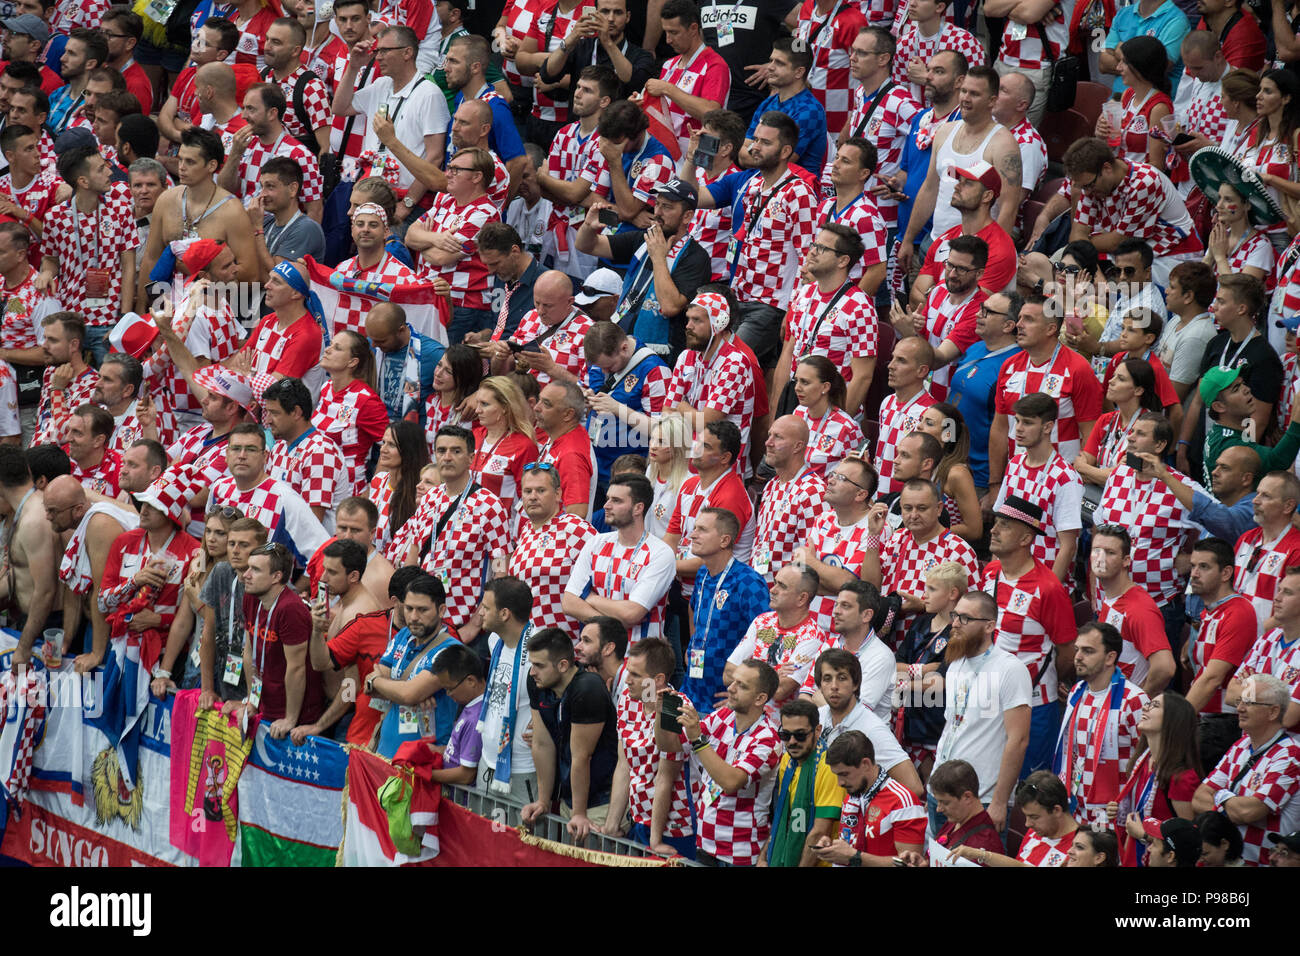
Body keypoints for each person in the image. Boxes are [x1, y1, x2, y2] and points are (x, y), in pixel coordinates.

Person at [695, 111, 817, 371]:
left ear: (785, 151)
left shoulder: (799, 193)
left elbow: (809, 258)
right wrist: (692, 156)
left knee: (726, 366)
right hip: (737, 296)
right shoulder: (750, 184)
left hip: (770, 305)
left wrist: (794, 309)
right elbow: (690, 197)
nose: (755, 147)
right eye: (756, 140)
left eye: (765, 142)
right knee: (750, 374)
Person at [982, 496, 1077, 776]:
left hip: (1032, 704)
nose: (994, 530)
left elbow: (1067, 651)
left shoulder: (1048, 589)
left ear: (1026, 538)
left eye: (1005, 525)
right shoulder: (990, 572)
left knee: (1028, 787)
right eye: (996, 523)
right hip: (988, 698)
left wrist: (1046, 679)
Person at [655, 657, 782, 867]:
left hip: (740, 854)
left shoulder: (768, 739)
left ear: (760, 698)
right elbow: (670, 745)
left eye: (741, 686)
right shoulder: (723, 716)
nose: (731, 688)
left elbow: (731, 782)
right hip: (705, 843)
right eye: (733, 681)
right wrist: (663, 714)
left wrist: (698, 739)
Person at [931, 588, 1031, 832]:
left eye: (965, 618)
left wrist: (998, 802)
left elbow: (1018, 741)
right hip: (942, 795)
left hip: (980, 799)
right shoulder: (955, 664)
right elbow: (953, 726)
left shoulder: (1010, 669)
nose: (955, 623)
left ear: (989, 626)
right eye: (955, 616)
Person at [899, 67, 1021, 267]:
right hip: (934, 244)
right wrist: (908, 239)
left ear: (992, 101)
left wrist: (989, 259)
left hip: (973, 255)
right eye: (964, 91)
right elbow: (930, 188)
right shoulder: (944, 132)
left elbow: (1008, 207)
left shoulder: (1003, 144)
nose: (965, 98)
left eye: (974, 94)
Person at [575, 180, 709, 362]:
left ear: (687, 216)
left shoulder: (696, 257)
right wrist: (588, 227)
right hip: (623, 343)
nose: (658, 212)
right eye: (657, 205)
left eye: (667, 207)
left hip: (660, 356)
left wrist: (659, 258)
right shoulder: (642, 239)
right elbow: (586, 245)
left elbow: (670, 306)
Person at [397, 425, 510, 632]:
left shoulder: (490, 506)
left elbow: (500, 572)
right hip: (421, 620)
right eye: (441, 451)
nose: (447, 457)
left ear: (470, 458)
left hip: (461, 624)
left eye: (456, 451)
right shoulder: (429, 498)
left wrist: (475, 625)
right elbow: (413, 554)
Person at [989, 294, 1103, 499]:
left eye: (1029, 320)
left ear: (1051, 329)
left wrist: (1076, 483)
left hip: (1060, 483)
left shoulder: (1078, 369)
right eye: (1020, 318)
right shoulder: (1009, 366)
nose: (1019, 325)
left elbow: (1091, 432)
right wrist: (996, 483)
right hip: (1017, 478)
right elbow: (1000, 428)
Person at [330, 25, 447, 223]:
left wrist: (408, 203)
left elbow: (434, 157)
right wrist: (353, 67)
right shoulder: (381, 85)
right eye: (377, 51)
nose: (378, 57)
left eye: (385, 51)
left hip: (405, 201)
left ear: (407, 53)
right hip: (372, 195)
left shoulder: (429, 93)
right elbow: (339, 108)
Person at [37, 144, 135, 360]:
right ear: (83, 181)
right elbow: (51, 260)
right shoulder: (55, 217)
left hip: (109, 318)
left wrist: (124, 318)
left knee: (111, 387)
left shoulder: (120, 210)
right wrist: (46, 273)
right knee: (69, 383)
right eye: (101, 169)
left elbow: (129, 267)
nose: (109, 172)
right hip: (71, 320)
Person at [1061, 138, 1203, 288]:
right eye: (1084, 187)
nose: (1087, 192)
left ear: (1107, 168)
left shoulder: (1144, 184)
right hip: (1130, 255)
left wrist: (1085, 246)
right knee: (1057, 266)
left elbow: (1117, 242)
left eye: (1089, 185)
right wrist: (1096, 274)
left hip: (1173, 255)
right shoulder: (1092, 182)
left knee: (1099, 288)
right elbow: (1077, 236)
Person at [521, 626, 619, 840]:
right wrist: (543, 801)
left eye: (539, 665)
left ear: (563, 665)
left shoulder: (588, 688)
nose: (532, 672)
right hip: (569, 799)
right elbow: (542, 743)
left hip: (599, 803)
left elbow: (582, 756)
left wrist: (579, 813)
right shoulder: (537, 682)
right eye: (531, 664)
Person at [1192, 674, 1300, 865]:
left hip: (1263, 861)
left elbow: (1249, 812)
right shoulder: (1241, 745)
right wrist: (1229, 806)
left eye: (1249, 702)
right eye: (1240, 700)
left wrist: (1220, 796)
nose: (1239, 708)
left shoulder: (1291, 754)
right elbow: (1199, 797)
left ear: (1273, 712)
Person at [775, 222, 877, 417]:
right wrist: (778, 412)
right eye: (814, 245)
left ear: (842, 261)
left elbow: (862, 377)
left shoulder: (860, 307)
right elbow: (789, 353)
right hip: (796, 405)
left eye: (822, 248)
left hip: (831, 411)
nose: (812, 252)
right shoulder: (804, 293)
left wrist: (837, 424)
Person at [1054, 621, 1150, 828]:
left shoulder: (1134, 700)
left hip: (1117, 815)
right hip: (1078, 809)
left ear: (1110, 657)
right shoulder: (1077, 691)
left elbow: (1147, 760)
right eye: (1077, 649)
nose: (1078, 656)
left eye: (1088, 651)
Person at [563, 473, 675, 644]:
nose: (606, 505)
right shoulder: (596, 543)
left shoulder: (660, 553)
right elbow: (569, 603)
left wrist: (589, 596)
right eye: (608, 499)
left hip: (638, 661)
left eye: (616, 501)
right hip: (595, 658)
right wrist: (613, 623)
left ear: (638, 508)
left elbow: (631, 614)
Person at [232, 541, 326, 737]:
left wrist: (290, 718)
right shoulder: (252, 596)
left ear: (277, 576)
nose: (246, 575)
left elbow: (297, 667)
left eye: (255, 570)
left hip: (296, 713)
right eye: (248, 567)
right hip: (265, 703)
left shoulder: (290, 609)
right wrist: (251, 700)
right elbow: (249, 650)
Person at [1185, 537, 1263, 770]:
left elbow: (1213, 678)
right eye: (1192, 566)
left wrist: (1176, 723)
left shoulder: (1237, 612)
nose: (1194, 574)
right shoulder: (1211, 612)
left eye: (1204, 567)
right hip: (1206, 719)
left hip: (1225, 723)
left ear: (1226, 572)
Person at [407, 147, 500, 341]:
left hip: (463, 306)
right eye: (449, 167)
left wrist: (423, 240)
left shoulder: (485, 213)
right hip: (429, 296)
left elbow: (441, 258)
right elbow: (409, 237)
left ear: (476, 177)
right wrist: (436, 239)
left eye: (456, 170)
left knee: (446, 365)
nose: (448, 174)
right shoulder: (446, 200)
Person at [363, 573, 462, 755]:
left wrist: (378, 681)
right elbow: (370, 689)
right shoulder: (403, 636)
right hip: (385, 754)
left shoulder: (451, 650)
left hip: (421, 764)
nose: (414, 617)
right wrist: (400, 690)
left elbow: (408, 695)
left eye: (422, 610)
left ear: (441, 611)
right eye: (409, 609)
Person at [660, 287, 758, 463]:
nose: (688, 326)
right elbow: (666, 413)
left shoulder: (735, 363)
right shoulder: (686, 356)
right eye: (688, 319)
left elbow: (705, 422)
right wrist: (690, 414)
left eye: (696, 320)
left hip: (723, 463)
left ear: (718, 324)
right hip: (689, 456)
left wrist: (682, 407)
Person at [995, 393, 1083, 584]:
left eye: (1027, 423)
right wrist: (993, 578)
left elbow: (1068, 546)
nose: (1018, 428)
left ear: (1047, 427)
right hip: (1008, 577)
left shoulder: (1065, 477)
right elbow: (1000, 526)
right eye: (1017, 421)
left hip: (1043, 580)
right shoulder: (1014, 464)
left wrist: (1048, 592)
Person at [500, 461, 596, 637]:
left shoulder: (574, 527)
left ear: (558, 493)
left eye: (541, 490)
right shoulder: (526, 530)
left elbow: (604, 575)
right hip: (529, 644)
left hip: (566, 644)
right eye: (527, 491)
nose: (533, 497)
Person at [811, 648, 922, 794]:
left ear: (856, 684)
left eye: (842, 678)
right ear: (819, 685)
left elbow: (914, 788)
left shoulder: (872, 729)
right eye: (827, 678)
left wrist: (870, 808)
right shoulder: (817, 717)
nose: (834, 686)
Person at [725, 565, 828, 717]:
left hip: (778, 729)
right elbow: (728, 673)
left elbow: (781, 691)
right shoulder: (762, 621)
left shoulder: (813, 636)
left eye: (782, 586)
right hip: (744, 717)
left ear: (802, 598)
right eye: (775, 582)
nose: (772, 590)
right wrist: (774, 674)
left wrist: (744, 679)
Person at [1112, 692, 1203, 864]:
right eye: (1148, 704)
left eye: (1155, 706)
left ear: (1172, 720)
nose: (1145, 707)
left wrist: (1144, 835)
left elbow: (1188, 841)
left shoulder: (1181, 777)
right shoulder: (1143, 761)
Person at [813, 730, 926, 866]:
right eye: (837, 775)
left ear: (865, 764)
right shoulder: (852, 796)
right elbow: (851, 848)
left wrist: (855, 858)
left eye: (844, 774)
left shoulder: (902, 801)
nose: (840, 783)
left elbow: (909, 864)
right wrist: (833, 849)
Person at [894, 561, 964, 778]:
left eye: (932, 589)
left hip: (937, 726)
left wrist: (904, 683)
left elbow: (941, 681)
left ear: (953, 593)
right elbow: (894, 665)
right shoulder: (920, 623)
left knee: (935, 787)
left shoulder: (959, 631)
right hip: (909, 723)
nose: (924, 595)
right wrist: (923, 670)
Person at [910, 167, 1015, 312]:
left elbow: (970, 309)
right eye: (959, 180)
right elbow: (916, 295)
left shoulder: (999, 248)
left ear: (987, 196)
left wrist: (932, 294)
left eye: (968, 183)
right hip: (930, 330)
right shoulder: (946, 238)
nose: (957, 186)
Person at [1090, 525, 1177, 697]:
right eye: (1096, 550)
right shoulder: (1111, 597)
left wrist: (1136, 704)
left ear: (1126, 561)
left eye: (1110, 552)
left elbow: (1165, 668)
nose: (1100, 558)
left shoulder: (1138, 608)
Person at [794, 455, 877, 633]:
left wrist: (812, 562)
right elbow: (802, 574)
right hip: (808, 625)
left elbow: (849, 585)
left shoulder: (875, 526)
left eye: (841, 478)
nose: (830, 481)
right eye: (833, 474)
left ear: (860, 494)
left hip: (843, 631)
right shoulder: (824, 519)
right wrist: (830, 580)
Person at [219, 83, 322, 222]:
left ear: (272, 113)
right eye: (244, 108)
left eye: (251, 109)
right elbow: (225, 189)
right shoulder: (245, 145)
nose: (244, 116)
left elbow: (314, 209)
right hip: (244, 228)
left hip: (276, 236)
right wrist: (235, 154)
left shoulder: (299, 154)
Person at [476, 576, 539, 799]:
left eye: (485, 608)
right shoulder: (495, 640)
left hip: (523, 769)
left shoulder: (540, 649)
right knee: (484, 833)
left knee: (520, 835)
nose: (480, 613)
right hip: (487, 760)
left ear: (504, 614)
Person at [644, 0, 729, 158]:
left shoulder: (716, 65)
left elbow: (711, 112)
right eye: (666, 32)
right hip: (665, 155)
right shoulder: (669, 65)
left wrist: (667, 89)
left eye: (674, 33)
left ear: (693, 28)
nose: (668, 40)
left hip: (697, 158)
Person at [752, 416, 830, 584]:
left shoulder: (813, 492)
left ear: (798, 446)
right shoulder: (772, 484)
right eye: (769, 435)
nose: (768, 442)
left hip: (787, 595)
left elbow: (809, 560)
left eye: (778, 437)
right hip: (760, 587)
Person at [262, 377, 347, 528]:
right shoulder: (278, 448)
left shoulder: (321, 452)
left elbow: (310, 524)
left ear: (296, 412)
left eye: (274, 413)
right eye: (267, 412)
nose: (267, 420)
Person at [312, 331, 388, 497]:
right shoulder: (327, 388)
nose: (328, 350)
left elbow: (392, 448)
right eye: (330, 344)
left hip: (348, 493)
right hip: (318, 485)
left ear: (352, 362)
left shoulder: (366, 401)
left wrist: (372, 492)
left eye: (337, 348)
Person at [1075, 358, 1165, 495]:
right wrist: (1099, 473)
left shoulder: (1149, 428)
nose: (1111, 381)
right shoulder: (1105, 420)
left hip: (1128, 501)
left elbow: (1123, 478)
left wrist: (1087, 469)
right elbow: (1080, 463)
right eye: (1113, 376)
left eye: (1121, 379)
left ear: (1138, 390)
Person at [742, 38, 827, 176]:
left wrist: (751, 151)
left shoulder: (810, 110)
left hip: (796, 191)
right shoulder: (768, 103)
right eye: (771, 60)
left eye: (779, 63)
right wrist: (755, 152)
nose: (770, 67)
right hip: (761, 182)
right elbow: (743, 153)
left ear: (799, 72)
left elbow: (777, 162)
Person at [1229, 566, 1300, 728]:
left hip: (1290, 748)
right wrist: (1269, 701)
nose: (1277, 598)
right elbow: (1230, 693)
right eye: (1279, 590)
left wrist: (1251, 687)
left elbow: (1289, 717)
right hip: (1250, 744)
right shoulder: (1268, 638)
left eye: (1287, 593)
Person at [1231, 471, 1300, 632]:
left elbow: (1292, 610)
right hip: (1232, 637)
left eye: (1266, 496)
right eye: (1257, 493)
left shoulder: (1296, 549)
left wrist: (1245, 637)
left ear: (1288, 506)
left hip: (1264, 647)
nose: (1255, 500)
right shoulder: (1246, 538)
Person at [902, 759, 1005, 865]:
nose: (938, 809)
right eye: (938, 802)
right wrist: (924, 863)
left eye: (945, 803)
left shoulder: (985, 845)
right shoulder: (956, 821)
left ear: (967, 797)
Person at [464, 375, 538, 516]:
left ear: (504, 407)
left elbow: (528, 498)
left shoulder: (524, 446)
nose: (477, 410)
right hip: (466, 525)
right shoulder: (473, 435)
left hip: (501, 531)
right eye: (478, 403)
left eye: (485, 404)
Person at [258, 17, 330, 154]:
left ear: (295, 51)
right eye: (267, 39)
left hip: (296, 170)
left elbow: (325, 147)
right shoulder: (262, 76)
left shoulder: (312, 87)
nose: (267, 47)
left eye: (276, 42)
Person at [875, 337, 936, 498]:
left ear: (922, 371)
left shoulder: (932, 412)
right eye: (893, 358)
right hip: (879, 497)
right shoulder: (886, 402)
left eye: (901, 361)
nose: (890, 366)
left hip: (908, 502)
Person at [246, 157, 326, 272]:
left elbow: (276, 276)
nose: (262, 194)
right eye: (262, 186)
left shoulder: (307, 228)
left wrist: (257, 228)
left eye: (270, 186)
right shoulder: (266, 221)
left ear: (292, 189)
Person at [532, 381, 597, 517]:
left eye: (546, 404)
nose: (537, 408)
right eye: (539, 400)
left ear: (568, 415)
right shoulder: (560, 435)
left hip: (554, 537)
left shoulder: (571, 455)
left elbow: (577, 515)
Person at [428, 644, 488, 786]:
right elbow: (459, 752)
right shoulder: (470, 706)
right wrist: (438, 750)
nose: (449, 695)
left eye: (450, 689)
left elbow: (466, 775)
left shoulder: (476, 719)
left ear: (471, 681)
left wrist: (426, 774)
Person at [1157, 261, 1218, 402]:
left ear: (1188, 296)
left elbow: (1173, 397)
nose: (1166, 291)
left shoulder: (1195, 336)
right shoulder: (1177, 319)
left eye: (1172, 287)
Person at [63, 405, 121, 496]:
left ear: (98, 440)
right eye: (68, 430)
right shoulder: (60, 456)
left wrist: (92, 497)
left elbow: (136, 510)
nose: (68, 438)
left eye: (77, 432)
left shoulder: (120, 471)